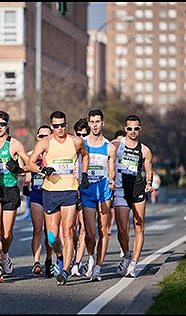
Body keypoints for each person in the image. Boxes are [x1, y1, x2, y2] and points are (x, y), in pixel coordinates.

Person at [24, 111, 90, 285]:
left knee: (68, 231)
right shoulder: (45, 143)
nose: (60, 129)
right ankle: (59, 256)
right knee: (52, 237)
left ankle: (66, 270)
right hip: (50, 191)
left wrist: (84, 174)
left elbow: (85, 155)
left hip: (69, 190)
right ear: (51, 126)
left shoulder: (76, 141)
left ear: (66, 125)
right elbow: (30, 163)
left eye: (63, 125)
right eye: (56, 126)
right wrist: (42, 170)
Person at [0, 110, 32, 282]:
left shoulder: (14, 144)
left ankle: (4, 255)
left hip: (11, 190)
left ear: (7, 126)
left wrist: (19, 170)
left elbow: (29, 164)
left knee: (6, 234)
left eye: (2, 125)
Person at [112, 114, 153, 278]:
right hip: (121, 189)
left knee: (139, 225)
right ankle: (127, 255)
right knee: (122, 229)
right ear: (125, 129)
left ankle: (134, 263)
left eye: (136, 128)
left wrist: (149, 184)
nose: (133, 131)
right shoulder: (116, 145)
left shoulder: (145, 150)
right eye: (130, 128)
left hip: (137, 189)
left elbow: (148, 170)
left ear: (140, 129)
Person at [78, 110, 116, 282]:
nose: (95, 125)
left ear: (103, 124)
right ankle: (91, 255)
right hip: (87, 191)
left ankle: (98, 267)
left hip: (104, 191)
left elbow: (112, 169)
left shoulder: (110, 147)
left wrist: (113, 180)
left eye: (98, 121)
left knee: (103, 230)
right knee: (90, 233)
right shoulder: (81, 143)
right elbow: (75, 165)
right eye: (92, 121)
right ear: (88, 123)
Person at [25, 125, 54, 277]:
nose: (42, 139)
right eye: (40, 136)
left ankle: (49, 259)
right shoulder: (32, 154)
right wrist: (25, 182)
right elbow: (24, 166)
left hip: (51, 194)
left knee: (50, 232)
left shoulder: (54, 153)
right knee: (37, 229)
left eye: (46, 136)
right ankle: (36, 262)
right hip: (36, 194)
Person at [70, 118, 90, 278]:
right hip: (70, 190)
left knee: (84, 228)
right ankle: (75, 250)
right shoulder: (70, 146)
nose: (82, 137)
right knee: (70, 228)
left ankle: (77, 263)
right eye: (79, 134)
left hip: (86, 190)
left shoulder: (90, 149)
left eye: (85, 134)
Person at [108, 130, 126, 239]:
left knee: (119, 214)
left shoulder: (127, 154)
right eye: (118, 141)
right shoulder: (111, 151)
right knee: (108, 210)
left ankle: (123, 240)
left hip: (122, 188)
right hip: (110, 186)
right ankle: (107, 228)